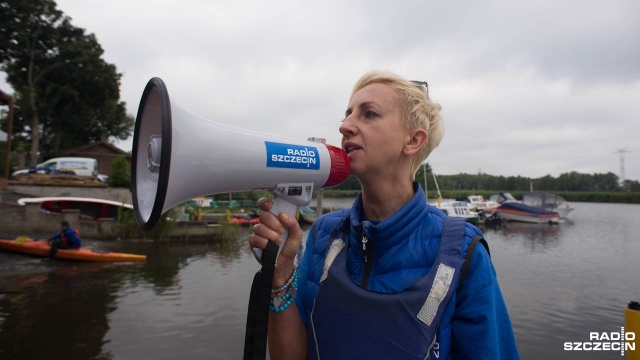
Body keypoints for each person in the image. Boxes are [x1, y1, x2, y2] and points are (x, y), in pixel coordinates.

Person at [249, 70, 520, 359]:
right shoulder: (324, 234)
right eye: (347, 114)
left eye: (369, 114)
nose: (345, 127)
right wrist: (280, 276)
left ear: (413, 140)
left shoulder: (463, 252)